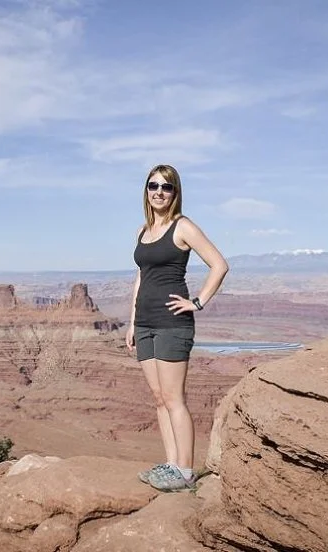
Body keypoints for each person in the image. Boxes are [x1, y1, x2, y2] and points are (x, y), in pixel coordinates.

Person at [126, 164, 229, 492]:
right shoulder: (142, 231)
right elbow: (141, 276)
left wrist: (197, 302)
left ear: (175, 192)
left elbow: (219, 264)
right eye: (153, 185)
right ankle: (170, 463)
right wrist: (131, 322)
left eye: (166, 187)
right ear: (146, 190)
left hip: (173, 323)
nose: (159, 191)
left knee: (174, 398)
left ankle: (185, 471)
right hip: (144, 322)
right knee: (158, 398)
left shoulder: (182, 227)